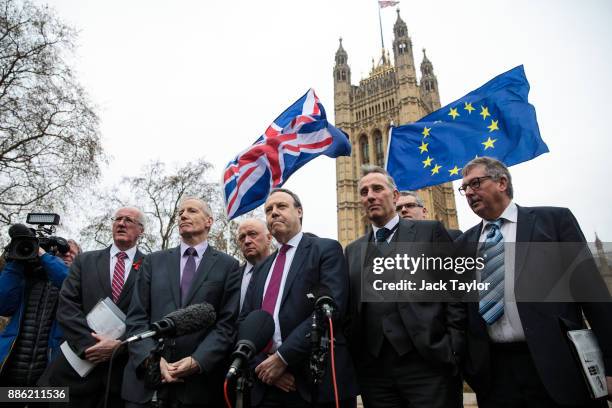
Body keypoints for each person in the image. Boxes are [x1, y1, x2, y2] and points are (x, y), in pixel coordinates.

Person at [456, 156, 612, 407]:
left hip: (559, 363)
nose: (469, 193)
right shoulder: (462, 244)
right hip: (495, 375)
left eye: (476, 183)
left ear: (502, 182)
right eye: (465, 188)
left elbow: (593, 295)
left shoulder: (554, 222)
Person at [345, 165, 465, 408]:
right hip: (375, 373)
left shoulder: (429, 232)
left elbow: (457, 292)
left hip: (428, 365)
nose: (370, 195)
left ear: (395, 196)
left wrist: (452, 348)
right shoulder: (353, 250)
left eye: (377, 188)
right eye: (364, 191)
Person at [240, 188, 358, 407]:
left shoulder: (325, 249)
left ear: (300, 212)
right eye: (268, 210)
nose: (273, 213)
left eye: (281, 207)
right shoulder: (261, 268)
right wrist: (265, 365)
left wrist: (282, 357)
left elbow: (331, 309)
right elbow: (246, 322)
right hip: (267, 385)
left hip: (316, 382)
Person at [122, 198, 240, 408]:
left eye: (192, 211)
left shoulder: (228, 266)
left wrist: (198, 360)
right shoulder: (153, 261)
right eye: (180, 212)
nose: (183, 215)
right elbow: (136, 317)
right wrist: (152, 360)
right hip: (146, 386)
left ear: (209, 221)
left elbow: (227, 324)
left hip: (198, 387)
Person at [43, 207, 145, 408]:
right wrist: (89, 346)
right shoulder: (85, 260)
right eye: (118, 219)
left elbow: (151, 314)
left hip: (121, 374)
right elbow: (67, 305)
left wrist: (120, 346)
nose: (121, 223)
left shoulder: (151, 265)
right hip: (75, 371)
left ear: (141, 230)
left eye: (129, 220)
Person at [0, 225, 69, 392]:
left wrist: (43, 255)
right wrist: (16, 261)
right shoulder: (25, 278)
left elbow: (68, 282)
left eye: (67, 253)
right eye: (59, 253)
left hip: (50, 379)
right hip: (10, 372)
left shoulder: (76, 284)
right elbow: (3, 305)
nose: (63, 256)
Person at [236, 218, 272, 312]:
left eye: (253, 234)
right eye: (242, 237)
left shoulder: (281, 271)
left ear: (269, 238)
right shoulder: (233, 276)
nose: (247, 241)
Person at [396, 190, 462, 239]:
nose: (403, 210)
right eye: (398, 208)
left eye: (410, 205)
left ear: (424, 212)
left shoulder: (453, 237)